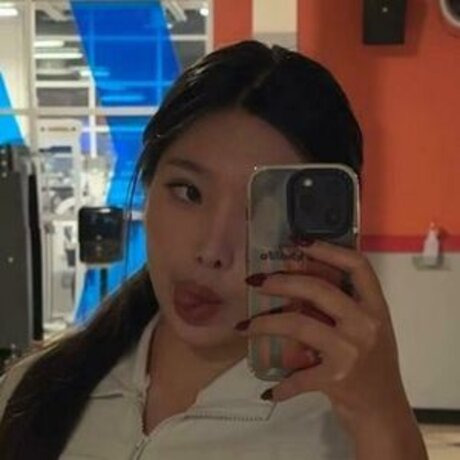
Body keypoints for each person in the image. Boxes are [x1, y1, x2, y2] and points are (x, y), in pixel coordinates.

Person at [0, 40, 428, 460]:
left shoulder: (340, 430)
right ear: (148, 185)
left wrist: (385, 423)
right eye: (188, 192)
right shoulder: (33, 392)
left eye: (261, 211)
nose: (211, 250)